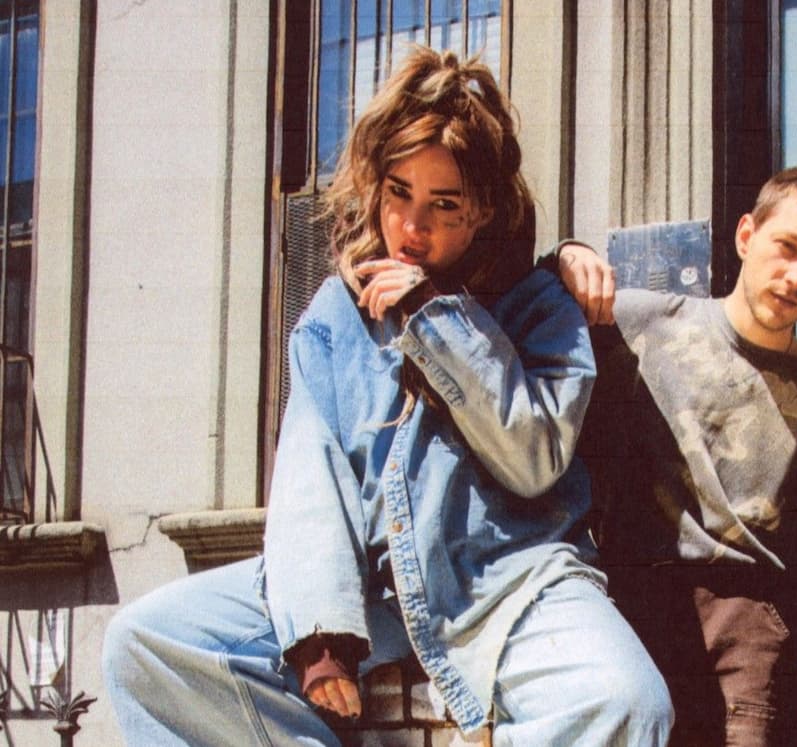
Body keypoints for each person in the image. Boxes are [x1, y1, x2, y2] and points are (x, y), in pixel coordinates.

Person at [102, 46, 671, 746]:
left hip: (512, 580)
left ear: (483, 209)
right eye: (399, 192)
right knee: (143, 643)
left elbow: (534, 458)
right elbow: (312, 479)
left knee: (630, 701)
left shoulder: (539, 306)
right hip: (374, 588)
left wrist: (436, 319)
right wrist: (320, 635)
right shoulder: (334, 315)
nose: (411, 225)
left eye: (443, 204)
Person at [556, 163, 797, 746]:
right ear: (746, 235)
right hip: (629, 610)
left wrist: (770, 643)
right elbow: (519, 323)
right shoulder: (639, 325)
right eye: (787, 246)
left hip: (748, 643)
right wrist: (566, 257)